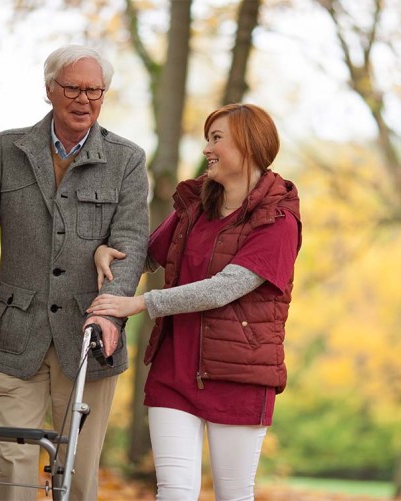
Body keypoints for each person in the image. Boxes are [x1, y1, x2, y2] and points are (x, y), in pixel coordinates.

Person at [0, 44, 149, 500]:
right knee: (15, 460)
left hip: (89, 338)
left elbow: (130, 245)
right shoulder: (8, 149)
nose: (84, 99)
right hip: (16, 329)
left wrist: (109, 314)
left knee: (78, 472)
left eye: (94, 90)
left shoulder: (127, 159)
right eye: (73, 88)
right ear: (49, 90)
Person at [88, 103, 302, 500]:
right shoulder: (196, 205)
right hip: (175, 369)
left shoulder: (279, 220)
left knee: (233, 493)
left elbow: (224, 288)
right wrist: (108, 251)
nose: (207, 149)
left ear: (249, 147)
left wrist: (140, 303)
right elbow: (149, 254)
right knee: (173, 492)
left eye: (217, 139)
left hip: (239, 374)